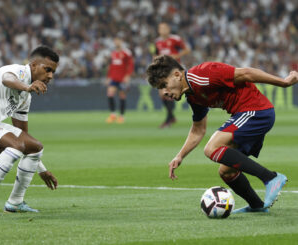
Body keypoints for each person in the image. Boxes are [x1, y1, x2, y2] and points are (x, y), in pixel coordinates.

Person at [146, 55, 298, 213]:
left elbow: (246, 73)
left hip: (256, 111)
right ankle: (257, 205)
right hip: (247, 114)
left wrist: (284, 82)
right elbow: (198, 129)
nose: (164, 92)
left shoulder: (202, 74)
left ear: (177, 75)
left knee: (211, 148)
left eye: (164, 85)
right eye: (160, 88)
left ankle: (271, 178)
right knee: (227, 171)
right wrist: (180, 156)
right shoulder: (193, 96)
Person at [0, 46, 59, 215]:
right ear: (33, 65)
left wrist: (41, 169)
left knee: (34, 146)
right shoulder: (17, 71)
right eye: (47, 70)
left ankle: (15, 202)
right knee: (15, 146)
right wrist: (26, 87)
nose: (50, 76)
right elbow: (6, 79)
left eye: (53, 72)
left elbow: (23, 136)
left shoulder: (26, 97)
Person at [155, 23, 190, 128]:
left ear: (169, 29)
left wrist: (176, 56)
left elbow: (186, 50)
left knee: (167, 92)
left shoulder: (175, 39)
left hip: (174, 69)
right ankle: (171, 117)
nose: (163, 30)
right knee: (162, 94)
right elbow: (155, 54)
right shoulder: (157, 42)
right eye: (161, 28)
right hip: (163, 69)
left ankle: (168, 119)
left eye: (165, 28)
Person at [105, 37, 134, 124]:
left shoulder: (126, 52)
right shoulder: (113, 53)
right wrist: (108, 77)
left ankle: (121, 116)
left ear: (121, 41)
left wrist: (128, 75)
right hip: (114, 78)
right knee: (110, 93)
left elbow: (131, 64)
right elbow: (111, 66)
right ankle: (113, 115)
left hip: (122, 78)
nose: (116, 42)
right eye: (115, 40)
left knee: (122, 95)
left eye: (118, 40)